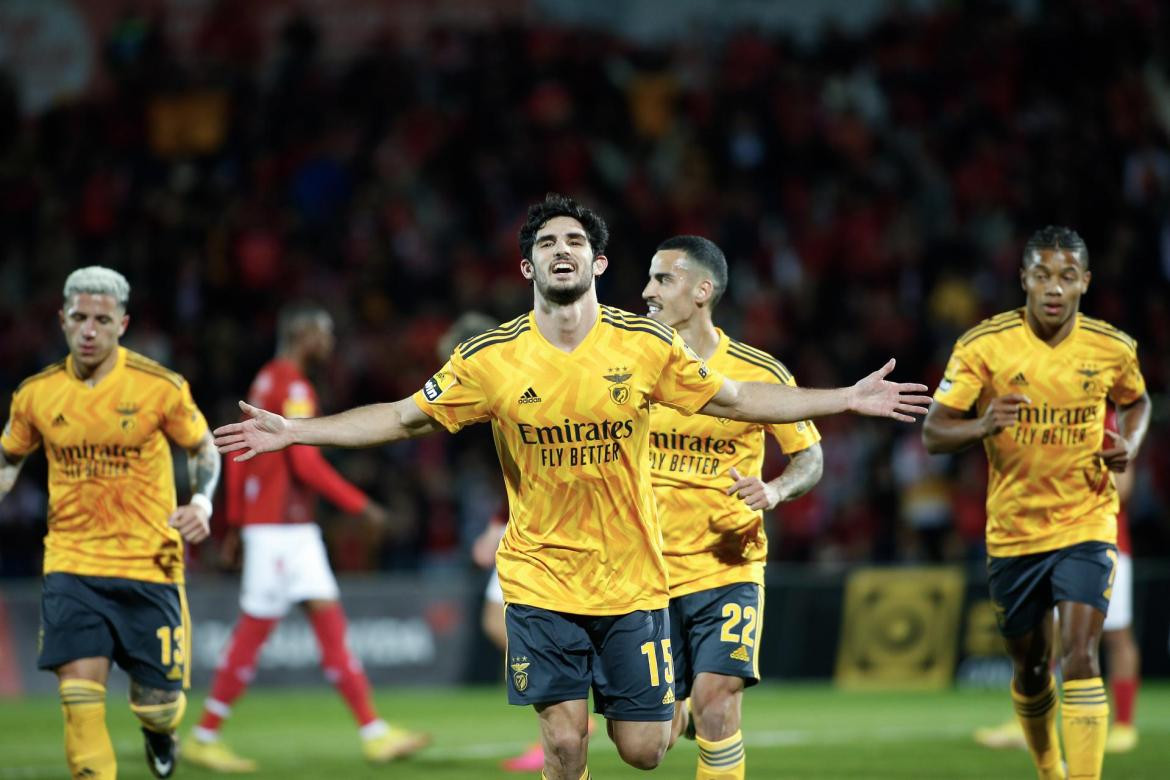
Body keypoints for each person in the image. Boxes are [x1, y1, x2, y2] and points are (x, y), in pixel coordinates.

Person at [214, 193, 931, 780]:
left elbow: (741, 401)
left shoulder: (644, 346)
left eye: (576, 242)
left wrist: (844, 399)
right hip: (541, 577)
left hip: (633, 579)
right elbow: (404, 417)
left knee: (647, 749)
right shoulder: (487, 358)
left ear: (599, 261)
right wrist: (297, 431)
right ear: (527, 265)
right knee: (564, 745)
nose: (563, 249)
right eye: (548, 242)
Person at [923, 226, 1151, 780]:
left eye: (1067, 277)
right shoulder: (984, 345)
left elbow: (1138, 401)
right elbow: (934, 432)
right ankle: (1050, 768)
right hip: (1015, 531)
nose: (1054, 288)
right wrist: (983, 423)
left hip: (1087, 519)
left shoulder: (1112, 347)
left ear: (1085, 284)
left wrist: (1129, 442)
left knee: (1080, 656)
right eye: (1043, 275)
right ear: (1024, 277)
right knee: (1030, 670)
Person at [184, 303, 429, 771]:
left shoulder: (265, 379)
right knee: (253, 634)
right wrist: (362, 506)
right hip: (279, 530)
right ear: (306, 335)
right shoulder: (292, 385)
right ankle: (203, 735)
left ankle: (374, 732)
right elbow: (304, 460)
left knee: (331, 627)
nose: (330, 342)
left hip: (285, 528)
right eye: (326, 332)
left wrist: (234, 522)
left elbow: (240, 457)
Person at [0, 266, 220, 779]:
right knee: (79, 702)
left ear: (123, 324)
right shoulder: (37, 394)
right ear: (62, 320)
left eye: (102, 318)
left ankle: (160, 731)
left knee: (158, 703)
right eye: (79, 317)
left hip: (150, 563)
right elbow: (10, 458)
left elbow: (203, 445)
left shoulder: (159, 386)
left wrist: (202, 504)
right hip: (72, 564)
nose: (90, 329)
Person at [642, 235, 824, 780]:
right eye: (649, 278)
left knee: (717, 701)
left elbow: (809, 457)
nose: (646, 291)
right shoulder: (631, 367)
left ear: (703, 290)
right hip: (645, 571)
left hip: (729, 565)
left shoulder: (758, 371)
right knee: (651, 739)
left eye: (662, 279)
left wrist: (775, 491)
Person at [972, 410, 1142, 755]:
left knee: (1116, 635)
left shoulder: (1105, 420)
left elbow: (1124, 487)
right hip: (1045, 544)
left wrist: (1067, 479)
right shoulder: (1043, 422)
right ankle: (1028, 722)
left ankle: (1124, 725)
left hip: (1104, 542)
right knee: (1041, 635)